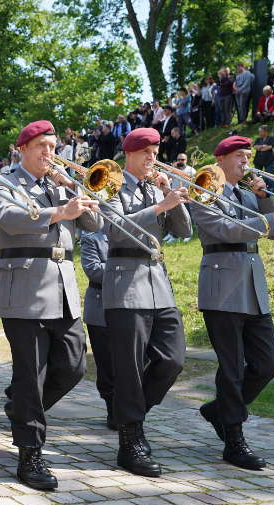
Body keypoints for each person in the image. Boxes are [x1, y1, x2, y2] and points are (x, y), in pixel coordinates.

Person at [0, 119, 101, 491]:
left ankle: (21, 407)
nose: (49, 153)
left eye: (53, 147)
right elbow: (8, 219)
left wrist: (76, 187)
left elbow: (95, 223)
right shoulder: (5, 181)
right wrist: (57, 213)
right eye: (41, 146)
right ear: (23, 149)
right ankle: (30, 453)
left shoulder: (59, 185)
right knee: (31, 375)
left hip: (63, 286)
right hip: (24, 286)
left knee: (72, 367)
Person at [193, 135, 274, 470]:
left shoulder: (246, 194)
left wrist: (267, 201)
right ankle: (234, 439)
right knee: (232, 367)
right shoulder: (205, 189)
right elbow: (226, 229)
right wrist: (273, 217)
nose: (245, 162)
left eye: (248, 157)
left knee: (267, 364)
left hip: (253, 288)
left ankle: (219, 412)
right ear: (221, 159)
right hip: (222, 284)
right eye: (240, 156)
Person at [102, 128, 191, 478]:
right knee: (129, 367)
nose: (152, 158)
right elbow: (113, 228)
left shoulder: (158, 187)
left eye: (155, 152)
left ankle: (131, 414)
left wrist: (170, 195)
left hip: (158, 281)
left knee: (172, 359)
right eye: (145, 152)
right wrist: (159, 205)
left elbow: (183, 231)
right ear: (129, 154)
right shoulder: (109, 182)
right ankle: (130, 440)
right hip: (125, 282)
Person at [80, 229, 114, 429]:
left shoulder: (130, 234)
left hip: (127, 305)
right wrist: (124, 265)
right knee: (107, 363)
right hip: (100, 309)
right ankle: (112, 408)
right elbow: (93, 269)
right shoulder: (93, 238)